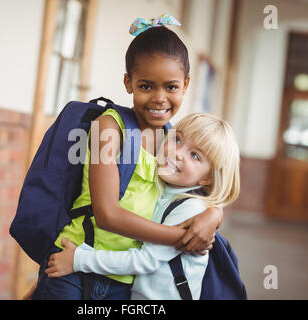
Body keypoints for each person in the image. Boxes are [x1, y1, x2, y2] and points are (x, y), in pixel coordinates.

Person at [32, 14, 224, 300]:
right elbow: (108, 215)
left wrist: (212, 214)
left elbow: (191, 192)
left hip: (126, 281)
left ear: (185, 85)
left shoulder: (173, 140)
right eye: (146, 86)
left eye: (171, 87)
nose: (159, 98)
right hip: (76, 267)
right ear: (128, 83)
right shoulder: (110, 128)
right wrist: (184, 239)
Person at [46, 113, 241, 300]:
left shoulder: (191, 210)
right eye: (177, 139)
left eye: (195, 156)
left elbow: (145, 260)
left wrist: (78, 260)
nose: (178, 153)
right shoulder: (162, 188)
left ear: (208, 178)